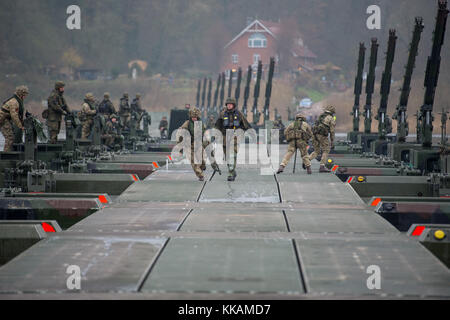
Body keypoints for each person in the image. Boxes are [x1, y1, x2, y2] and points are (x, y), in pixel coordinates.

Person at [177, 107, 219, 181]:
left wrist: (207, 142)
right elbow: (180, 135)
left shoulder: (201, 124)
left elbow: (205, 134)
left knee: (201, 161)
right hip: (189, 145)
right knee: (194, 163)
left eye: (195, 117)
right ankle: (200, 175)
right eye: (192, 117)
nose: (194, 119)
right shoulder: (187, 124)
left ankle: (202, 167)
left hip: (199, 144)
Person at [215, 97, 251, 181]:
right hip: (224, 137)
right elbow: (217, 125)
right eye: (228, 104)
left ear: (233, 105)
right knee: (227, 156)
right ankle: (232, 171)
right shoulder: (222, 114)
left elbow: (246, 124)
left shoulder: (238, 114)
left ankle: (230, 173)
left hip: (235, 137)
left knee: (232, 154)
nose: (229, 106)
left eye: (230, 104)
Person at [0, 86, 29, 151]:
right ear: (21, 94)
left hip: (5, 119)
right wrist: (20, 126)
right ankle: (6, 155)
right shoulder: (14, 102)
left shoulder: (18, 100)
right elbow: (14, 116)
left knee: (10, 136)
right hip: (3, 120)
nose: (25, 97)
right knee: (10, 137)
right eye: (25, 95)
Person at [308, 105, 336, 172]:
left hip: (314, 134)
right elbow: (332, 131)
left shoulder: (321, 116)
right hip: (322, 135)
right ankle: (322, 167)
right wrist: (332, 141)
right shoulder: (331, 118)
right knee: (326, 150)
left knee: (317, 151)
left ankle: (307, 161)